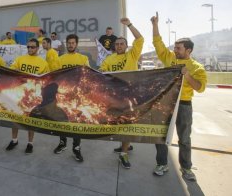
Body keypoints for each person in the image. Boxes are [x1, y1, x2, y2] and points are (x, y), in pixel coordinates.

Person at [151, 12, 207, 181]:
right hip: (166, 103)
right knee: (160, 136)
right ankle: (162, 163)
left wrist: (187, 76)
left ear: (188, 50)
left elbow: (200, 88)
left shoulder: (197, 67)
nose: (174, 50)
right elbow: (158, 43)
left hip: (183, 105)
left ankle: (186, 168)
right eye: (174, 47)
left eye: (178, 48)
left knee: (184, 138)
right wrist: (155, 24)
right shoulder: (169, 58)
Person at [99, 18, 144, 169]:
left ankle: (123, 153)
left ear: (126, 45)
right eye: (117, 44)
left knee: (128, 123)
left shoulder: (132, 55)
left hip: (130, 96)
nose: (119, 46)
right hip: (114, 97)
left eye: (121, 44)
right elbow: (102, 73)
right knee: (118, 123)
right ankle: (125, 145)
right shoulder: (109, 58)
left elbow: (140, 38)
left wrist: (129, 25)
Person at [6, 38, 49, 154]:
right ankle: (14, 140)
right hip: (18, 95)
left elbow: (47, 80)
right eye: (28, 47)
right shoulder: (20, 59)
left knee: (31, 121)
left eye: (32, 47)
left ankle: (30, 143)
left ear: (38, 48)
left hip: (33, 97)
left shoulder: (43, 63)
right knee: (15, 119)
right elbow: (11, 71)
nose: (30, 49)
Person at [53, 34, 89, 162]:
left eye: (73, 43)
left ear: (76, 44)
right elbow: (55, 77)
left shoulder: (83, 58)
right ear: (66, 44)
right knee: (62, 121)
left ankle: (76, 148)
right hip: (62, 97)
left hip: (78, 98)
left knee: (76, 124)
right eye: (69, 43)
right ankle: (62, 143)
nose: (71, 45)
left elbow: (87, 78)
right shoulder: (60, 59)